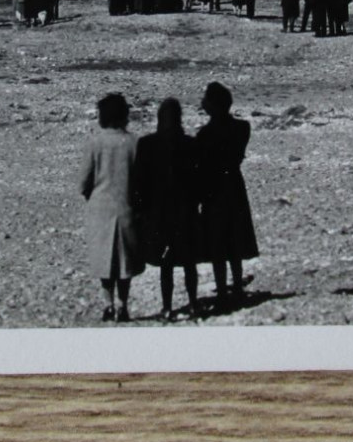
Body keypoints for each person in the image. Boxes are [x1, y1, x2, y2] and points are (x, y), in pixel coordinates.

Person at [77, 93, 144, 322]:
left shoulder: (94, 143)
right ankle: (123, 304)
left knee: (104, 261)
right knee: (125, 263)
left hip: (100, 208)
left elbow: (83, 181)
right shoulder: (134, 143)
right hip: (127, 207)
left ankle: (108, 304)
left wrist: (90, 196)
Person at [134, 98, 203, 321]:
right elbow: (198, 180)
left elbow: (140, 182)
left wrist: (142, 210)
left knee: (166, 263)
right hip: (185, 211)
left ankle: (167, 307)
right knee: (189, 261)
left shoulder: (146, 145)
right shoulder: (191, 144)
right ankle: (193, 303)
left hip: (159, 212)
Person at [195, 82, 258, 308]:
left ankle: (222, 289)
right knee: (235, 235)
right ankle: (237, 286)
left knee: (218, 239)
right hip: (233, 183)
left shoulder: (204, 134)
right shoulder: (242, 128)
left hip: (212, 188)